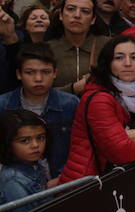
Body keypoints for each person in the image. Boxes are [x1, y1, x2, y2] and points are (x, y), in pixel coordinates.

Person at [58, 35, 135, 183]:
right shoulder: (99, 99)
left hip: (122, 181)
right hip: (88, 185)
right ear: (108, 62)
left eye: (134, 57)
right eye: (119, 58)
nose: (128, 63)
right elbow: (122, 153)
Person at [0, 43, 79, 178]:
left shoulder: (70, 104)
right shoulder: (3, 105)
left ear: (55, 73)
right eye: (30, 72)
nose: (38, 79)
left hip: (62, 178)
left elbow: (81, 147)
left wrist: (65, 177)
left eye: (46, 72)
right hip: (17, 181)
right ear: (19, 74)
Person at [46, 0, 109, 95]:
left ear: (93, 19)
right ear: (61, 15)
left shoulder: (108, 46)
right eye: (71, 9)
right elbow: (37, 92)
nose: (77, 15)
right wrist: (73, 88)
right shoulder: (47, 49)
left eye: (85, 11)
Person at [0, 109, 50, 212]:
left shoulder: (34, 164)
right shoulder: (13, 180)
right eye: (24, 141)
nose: (35, 145)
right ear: (7, 144)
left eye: (40, 138)